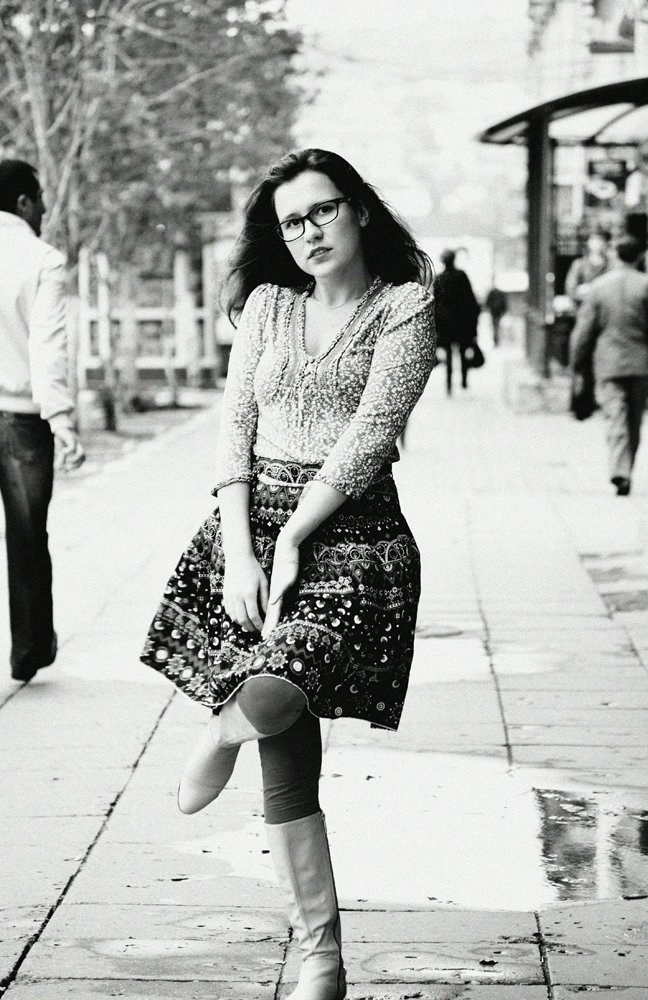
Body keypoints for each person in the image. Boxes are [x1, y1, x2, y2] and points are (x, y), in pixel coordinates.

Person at [141, 148, 435, 999]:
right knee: (287, 758)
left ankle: (218, 728)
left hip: (353, 537)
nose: (309, 232)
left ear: (359, 210)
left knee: (274, 690)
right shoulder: (268, 305)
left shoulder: (405, 306)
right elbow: (233, 428)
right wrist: (240, 550)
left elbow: (370, 433)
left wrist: (298, 536)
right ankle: (322, 958)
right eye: (292, 222)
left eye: (323, 210)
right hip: (250, 524)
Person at [0, 160, 85, 682]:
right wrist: (62, 419)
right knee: (27, 536)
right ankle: (29, 651)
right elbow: (47, 346)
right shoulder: (41, 259)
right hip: (23, 421)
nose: (46, 209)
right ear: (24, 202)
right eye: (41, 199)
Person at [571, 236, 648, 496]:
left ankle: (620, 470)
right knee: (634, 420)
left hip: (608, 362)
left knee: (616, 416)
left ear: (614, 255)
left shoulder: (598, 287)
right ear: (640, 257)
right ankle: (625, 470)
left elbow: (584, 331)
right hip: (641, 363)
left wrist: (578, 362)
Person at [432, 248, 479, 394]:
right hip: (461, 321)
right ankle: (464, 380)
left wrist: (436, 324)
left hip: (445, 323)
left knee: (448, 353)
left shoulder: (439, 278)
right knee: (463, 350)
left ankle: (448, 384)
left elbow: (435, 303)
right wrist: (473, 324)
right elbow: (471, 301)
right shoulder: (461, 276)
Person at [565, 230, 610, 308]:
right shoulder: (579, 264)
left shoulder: (610, 265)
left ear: (605, 243)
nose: (597, 244)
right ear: (588, 243)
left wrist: (588, 289)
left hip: (605, 308)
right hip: (584, 308)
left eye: (600, 240)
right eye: (593, 240)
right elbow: (571, 291)